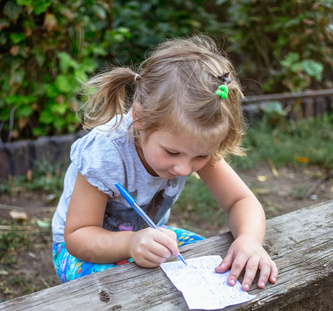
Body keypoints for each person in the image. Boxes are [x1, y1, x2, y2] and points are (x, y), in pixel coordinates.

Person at [52, 35, 278, 290]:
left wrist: (249, 240)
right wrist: (130, 244)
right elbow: (77, 236)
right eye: (171, 152)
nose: (183, 169)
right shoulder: (105, 153)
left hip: (150, 235)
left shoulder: (192, 142)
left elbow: (241, 201)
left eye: (201, 157)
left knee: (208, 260)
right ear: (139, 119)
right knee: (129, 290)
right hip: (80, 250)